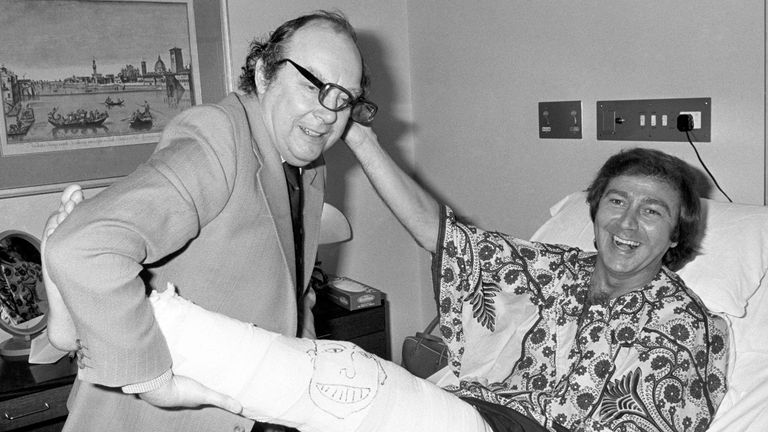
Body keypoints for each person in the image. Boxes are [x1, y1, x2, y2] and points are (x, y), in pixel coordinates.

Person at [44, 145, 729, 431]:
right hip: (457, 413)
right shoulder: (550, 267)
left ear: (677, 235)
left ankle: (146, 318)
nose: (627, 223)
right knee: (346, 394)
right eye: (617, 201)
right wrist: (365, 143)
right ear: (595, 207)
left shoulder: (684, 326)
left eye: (652, 210)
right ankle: (167, 360)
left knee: (352, 376)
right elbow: (444, 235)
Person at [42, 10, 376, 432]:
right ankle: (67, 327)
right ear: (262, 73)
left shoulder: (307, 163)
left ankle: (68, 326)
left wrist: (304, 366)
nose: (329, 112)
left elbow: (291, 284)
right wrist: (154, 381)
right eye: (313, 85)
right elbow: (84, 247)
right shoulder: (220, 136)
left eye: (344, 98)